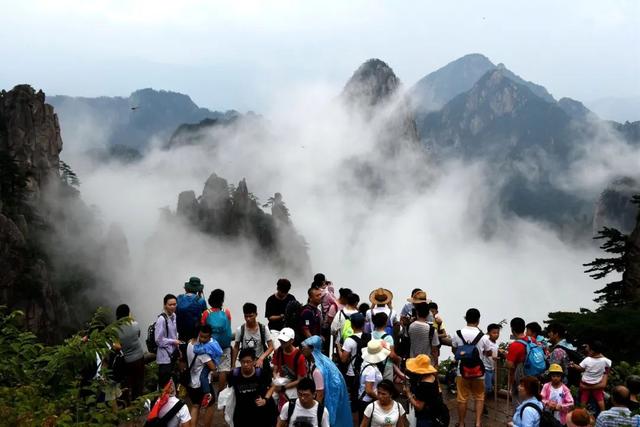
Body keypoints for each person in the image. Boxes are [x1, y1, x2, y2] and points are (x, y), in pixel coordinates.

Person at [451, 308, 493, 427]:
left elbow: (454, 350)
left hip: (462, 371)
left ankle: (462, 423)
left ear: (466, 318)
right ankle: (478, 423)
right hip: (479, 372)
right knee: (479, 397)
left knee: (462, 398)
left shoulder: (457, 334)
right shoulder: (483, 337)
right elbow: (488, 352)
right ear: (478, 320)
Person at [301, 335, 352, 427]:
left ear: (312, 349)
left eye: (304, 348)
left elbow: (320, 395)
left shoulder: (317, 371)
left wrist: (314, 413)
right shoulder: (324, 362)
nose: (302, 350)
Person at [335, 312, 369, 422]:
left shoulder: (349, 340)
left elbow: (343, 359)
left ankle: (354, 420)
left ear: (352, 325)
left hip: (353, 373)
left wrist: (339, 348)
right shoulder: (369, 337)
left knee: (354, 398)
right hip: (366, 370)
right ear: (363, 324)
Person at [229, 348, 277, 427]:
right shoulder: (234, 374)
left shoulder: (261, 373)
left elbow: (273, 386)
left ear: (254, 361)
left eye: (248, 362)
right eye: (243, 362)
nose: (245, 365)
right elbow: (229, 392)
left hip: (261, 412)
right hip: (242, 413)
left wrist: (265, 399)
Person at [404, 354, 449, 427]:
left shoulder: (424, 385)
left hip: (427, 419)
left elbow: (419, 407)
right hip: (440, 413)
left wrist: (408, 393)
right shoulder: (433, 376)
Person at [185, 324, 218, 427]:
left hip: (191, 382)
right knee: (211, 405)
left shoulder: (190, 343)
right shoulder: (202, 352)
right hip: (201, 384)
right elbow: (213, 367)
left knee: (195, 406)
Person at [201, 288, 233, 391]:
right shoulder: (226, 312)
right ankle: (221, 392)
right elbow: (228, 327)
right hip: (224, 344)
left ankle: (208, 392)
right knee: (223, 370)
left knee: (209, 368)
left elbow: (203, 328)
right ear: (221, 300)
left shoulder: (206, 313)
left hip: (211, 345)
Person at [231, 302, 274, 376]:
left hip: (260, 361)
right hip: (246, 362)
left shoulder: (263, 328)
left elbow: (271, 347)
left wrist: (261, 358)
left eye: (251, 316)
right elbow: (236, 347)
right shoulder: (240, 330)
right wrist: (233, 364)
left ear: (256, 314)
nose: (248, 319)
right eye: (246, 316)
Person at [113, 304, 145, 402]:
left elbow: (116, 346)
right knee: (138, 381)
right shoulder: (135, 324)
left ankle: (126, 402)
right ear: (128, 313)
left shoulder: (115, 329)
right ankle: (138, 401)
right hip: (139, 356)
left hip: (127, 359)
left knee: (126, 382)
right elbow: (138, 335)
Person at [570, 341, 611, 413]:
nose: (586, 350)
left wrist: (574, 365)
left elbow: (580, 369)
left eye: (588, 349)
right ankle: (603, 412)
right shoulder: (605, 361)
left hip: (586, 383)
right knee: (600, 399)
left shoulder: (587, 360)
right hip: (597, 383)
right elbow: (609, 364)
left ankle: (582, 412)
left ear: (592, 351)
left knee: (584, 398)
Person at [273, 327, 308, 410]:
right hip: (281, 382)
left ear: (292, 341)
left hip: (293, 385)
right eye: (281, 340)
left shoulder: (300, 357)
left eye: (284, 341)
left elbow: (300, 380)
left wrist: (284, 387)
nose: (282, 343)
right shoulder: (279, 351)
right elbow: (275, 369)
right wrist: (277, 380)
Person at [358, 340, 390, 424]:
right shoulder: (371, 370)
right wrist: (380, 399)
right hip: (367, 402)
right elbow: (369, 390)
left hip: (364, 400)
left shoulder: (365, 363)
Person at [155, 294, 181, 389]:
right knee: (164, 383)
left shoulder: (174, 316)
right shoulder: (161, 320)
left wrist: (177, 348)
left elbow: (174, 334)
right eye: (170, 305)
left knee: (171, 380)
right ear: (165, 305)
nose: (173, 306)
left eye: (175, 304)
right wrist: (173, 341)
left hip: (172, 354)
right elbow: (158, 340)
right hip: (164, 356)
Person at [176, 276, 207, 348]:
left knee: (183, 352)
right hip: (194, 335)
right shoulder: (201, 300)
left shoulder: (179, 298)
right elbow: (206, 314)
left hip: (181, 332)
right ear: (198, 289)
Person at [371, 312, 401, 381]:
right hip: (386, 365)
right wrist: (398, 359)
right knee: (386, 387)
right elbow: (392, 355)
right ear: (385, 322)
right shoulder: (388, 338)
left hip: (373, 364)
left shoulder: (370, 335)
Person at [506, 317, 528, 404]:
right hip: (532, 377)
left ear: (512, 329)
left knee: (519, 402)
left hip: (520, 378)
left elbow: (509, 365)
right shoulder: (532, 340)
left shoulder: (515, 345)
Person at [482, 323, 501, 400]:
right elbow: (484, 352)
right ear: (489, 333)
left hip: (493, 368)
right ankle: (482, 404)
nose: (496, 335)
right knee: (487, 387)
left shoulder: (496, 343)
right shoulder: (487, 342)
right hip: (486, 367)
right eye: (494, 333)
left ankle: (484, 402)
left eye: (497, 333)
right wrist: (493, 356)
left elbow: (494, 351)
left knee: (494, 385)